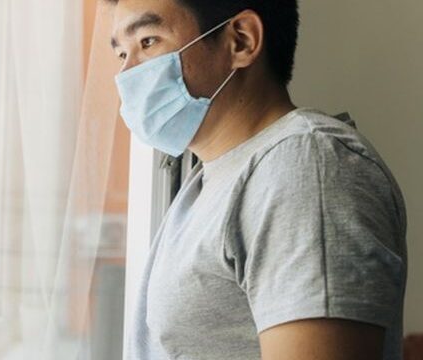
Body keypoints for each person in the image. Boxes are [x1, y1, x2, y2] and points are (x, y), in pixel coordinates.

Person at [107, 0, 408, 359]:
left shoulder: (306, 165)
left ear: (241, 41)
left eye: (147, 41)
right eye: (121, 53)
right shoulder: (207, 179)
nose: (128, 74)